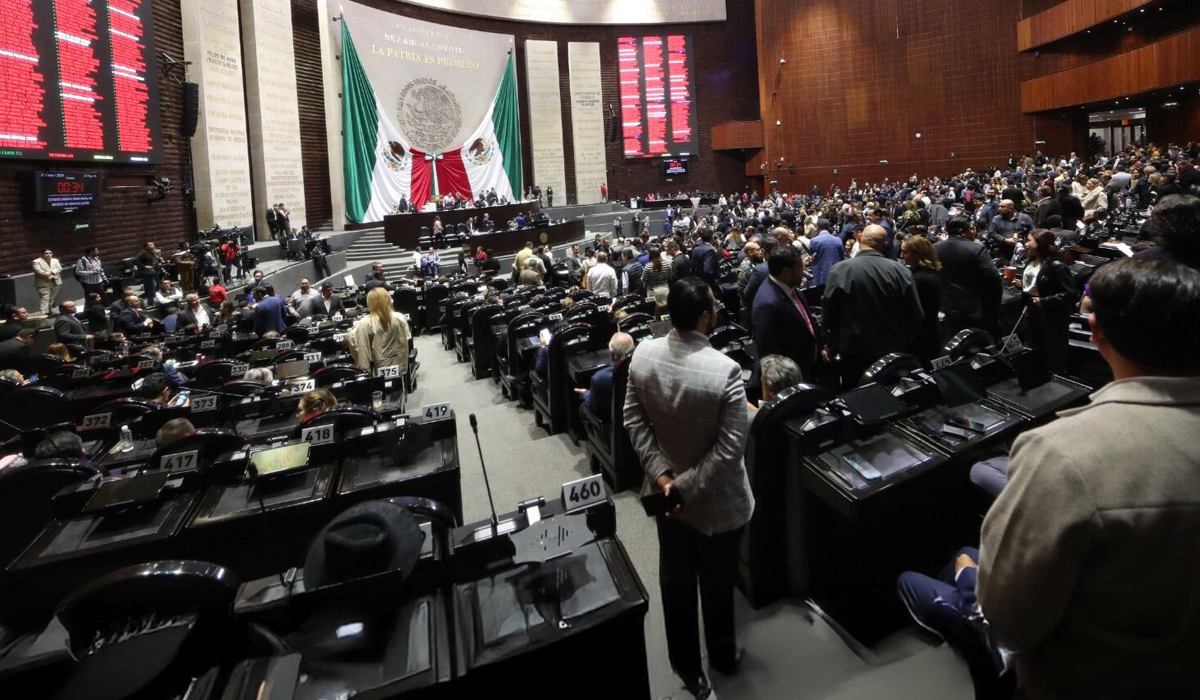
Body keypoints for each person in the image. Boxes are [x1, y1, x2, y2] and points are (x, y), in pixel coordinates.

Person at [978, 256, 1200, 700]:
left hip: (1094, 682)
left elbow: (1009, 624)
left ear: (1096, 331)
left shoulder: (1059, 451)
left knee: (948, 570)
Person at [623, 277, 754, 700]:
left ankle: (686, 667)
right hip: (716, 503)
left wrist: (664, 478)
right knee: (718, 584)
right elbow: (730, 450)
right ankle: (722, 655)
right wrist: (684, 489)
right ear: (704, 316)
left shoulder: (642, 353)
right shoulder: (725, 369)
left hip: (665, 498)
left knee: (675, 582)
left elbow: (633, 422)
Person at [821, 225, 924, 387]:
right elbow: (916, 314)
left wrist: (829, 341)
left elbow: (829, 311)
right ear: (885, 244)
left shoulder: (840, 269)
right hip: (892, 351)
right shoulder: (901, 270)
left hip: (853, 350)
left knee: (856, 394)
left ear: (860, 238)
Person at [1010, 229, 1078, 374]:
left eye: (1029, 240)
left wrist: (1045, 301)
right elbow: (1038, 284)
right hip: (1032, 310)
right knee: (1034, 349)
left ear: (1041, 243)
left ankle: (1055, 381)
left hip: (1051, 316)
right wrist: (1023, 285)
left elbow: (1072, 294)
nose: (1026, 244)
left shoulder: (1056, 265)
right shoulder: (1032, 260)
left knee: (1053, 353)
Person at [752, 244, 818, 381]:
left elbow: (807, 322)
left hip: (811, 366)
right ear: (786, 272)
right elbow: (770, 353)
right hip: (794, 376)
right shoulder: (767, 303)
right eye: (800, 267)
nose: (803, 270)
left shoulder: (789, 288)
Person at [936, 216, 1003, 339]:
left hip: (947, 306)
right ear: (962, 231)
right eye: (972, 229)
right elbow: (993, 278)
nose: (975, 231)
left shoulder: (935, 247)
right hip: (974, 308)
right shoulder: (977, 248)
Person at [348, 287, 410, 377]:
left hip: (378, 369)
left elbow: (355, 342)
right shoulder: (400, 317)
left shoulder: (364, 323)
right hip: (400, 366)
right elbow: (407, 337)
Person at [900, 236, 944, 365]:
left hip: (921, 335)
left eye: (905, 252)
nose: (901, 256)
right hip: (932, 330)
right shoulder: (932, 272)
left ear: (917, 254)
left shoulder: (919, 279)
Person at [576, 332, 635, 423]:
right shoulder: (640, 368)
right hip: (634, 417)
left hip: (611, 423)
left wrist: (586, 394)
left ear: (611, 354)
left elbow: (593, 407)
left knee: (583, 408)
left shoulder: (599, 378)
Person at [747, 354, 803, 419]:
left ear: (770, 390)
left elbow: (759, 417)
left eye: (762, 384)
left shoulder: (754, 420)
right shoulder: (806, 407)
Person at [808, 220, 845, 290]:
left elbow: (812, 257)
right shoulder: (838, 240)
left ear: (817, 227)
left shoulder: (814, 240)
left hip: (821, 276)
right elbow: (842, 257)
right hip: (837, 275)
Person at [32, 249, 63, 316]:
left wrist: (51, 272)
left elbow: (59, 268)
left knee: (51, 299)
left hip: (55, 282)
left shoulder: (55, 260)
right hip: (43, 283)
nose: (48, 255)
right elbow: (39, 272)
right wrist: (52, 277)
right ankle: (43, 314)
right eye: (46, 253)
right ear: (42, 254)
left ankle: (50, 312)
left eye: (50, 253)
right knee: (44, 299)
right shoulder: (36, 262)